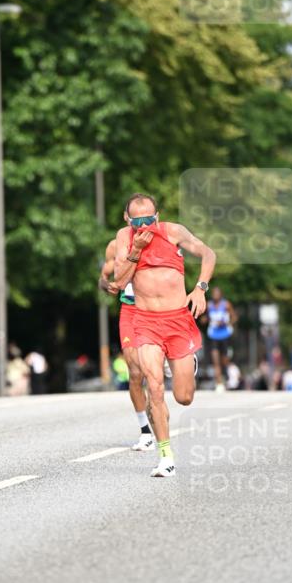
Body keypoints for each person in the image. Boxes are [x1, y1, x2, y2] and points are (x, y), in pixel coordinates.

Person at [114, 193, 216, 477]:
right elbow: (120, 281)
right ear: (127, 219)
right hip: (145, 322)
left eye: (149, 219)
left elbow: (209, 253)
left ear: (157, 216)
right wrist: (136, 249)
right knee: (154, 387)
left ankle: (186, 365)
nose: (144, 226)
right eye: (138, 221)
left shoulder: (173, 231)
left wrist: (200, 288)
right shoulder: (125, 237)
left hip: (177, 320)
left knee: (184, 397)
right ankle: (165, 456)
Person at [100, 238, 154, 451]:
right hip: (130, 310)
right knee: (135, 372)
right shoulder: (115, 245)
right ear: (126, 218)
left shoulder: (161, 240)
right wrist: (108, 286)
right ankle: (145, 431)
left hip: (154, 309)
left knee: (152, 372)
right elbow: (103, 278)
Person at [205, 286, 237, 391]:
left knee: (224, 360)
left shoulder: (226, 304)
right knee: (215, 360)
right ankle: (218, 383)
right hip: (213, 335)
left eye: (217, 293)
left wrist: (225, 323)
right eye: (213, 293)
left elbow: (234, 317)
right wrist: (205, 320)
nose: (215, 295)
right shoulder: (209, 305)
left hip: (225, 335)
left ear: (220, 295)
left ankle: (227, 376)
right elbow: (206, 318)